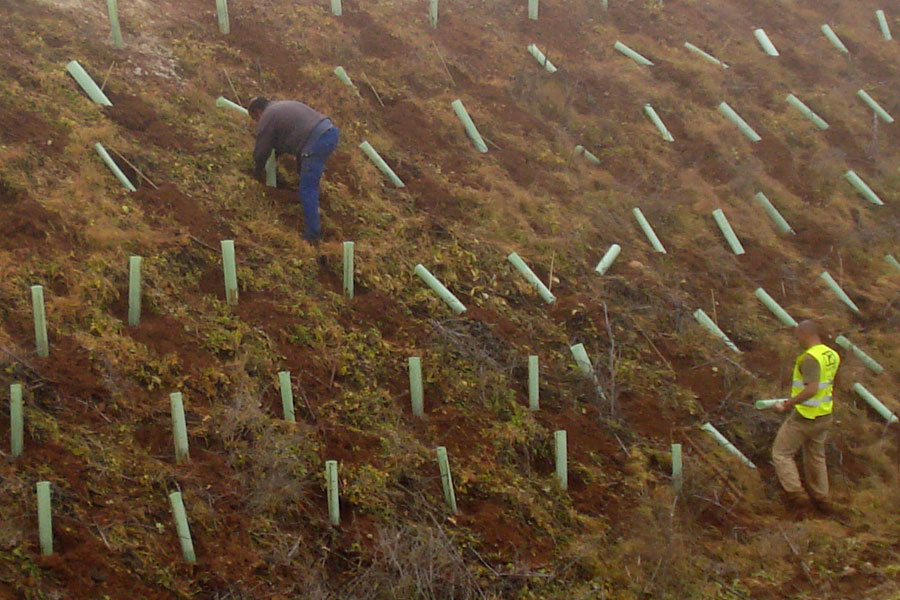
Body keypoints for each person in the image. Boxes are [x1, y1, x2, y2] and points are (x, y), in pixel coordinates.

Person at [248, 97, 339, 243]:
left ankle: (312, 236)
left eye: (255, 118)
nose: (257, 122)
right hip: (329, 132)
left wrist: (258, 171)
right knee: (303, 170)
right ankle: (313, 202)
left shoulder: (267, 116)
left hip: (316, 141)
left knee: (307, 188)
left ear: (258, 112)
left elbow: (262, 149)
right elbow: (290, 136)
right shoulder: (281, 106)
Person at [772, 320, 840, 511]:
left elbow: (812, 389)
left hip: (805, 417)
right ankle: (822, 497)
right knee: (816, 456)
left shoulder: (809, 359)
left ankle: (796, 495)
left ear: (804, 334)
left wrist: (786, 405)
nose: (797, 340)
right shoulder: (830, 354)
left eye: (797, 336)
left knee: (781, 453)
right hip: (824, 415)